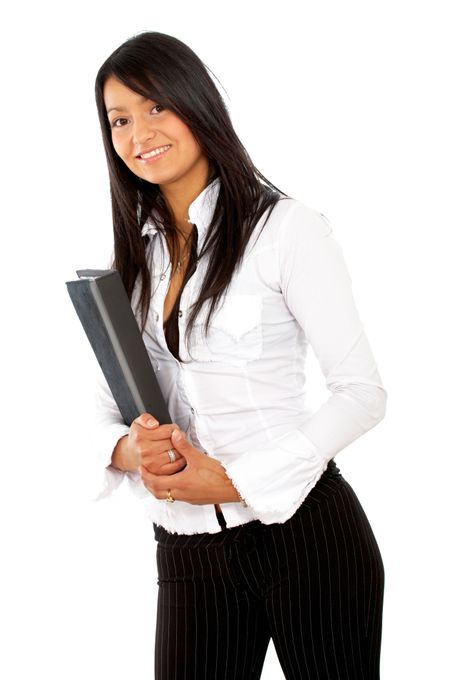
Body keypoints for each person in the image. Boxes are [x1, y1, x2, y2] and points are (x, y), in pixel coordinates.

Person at [90, 30, 387, 680]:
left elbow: (362, 394)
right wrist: (124, 450)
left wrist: (233, 481)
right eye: (119, 119)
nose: (140, 132)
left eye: (155, 106)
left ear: (196, 104)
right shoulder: (134, 264)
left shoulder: (287, 231)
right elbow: (94, 404)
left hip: (307, 536)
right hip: (188, 553)